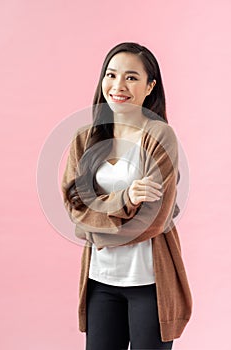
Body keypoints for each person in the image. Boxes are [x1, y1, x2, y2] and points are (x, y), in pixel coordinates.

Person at [61, 42, 192, 350]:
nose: (118, 86)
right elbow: (74, 206)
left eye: (132, 77)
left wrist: (95, 231)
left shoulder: (160, 136)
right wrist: (126, 199)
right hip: (100, 280)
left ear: (150, 86)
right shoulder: (85, 137)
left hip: (149, 281)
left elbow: (155, 219)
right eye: (111, 74)